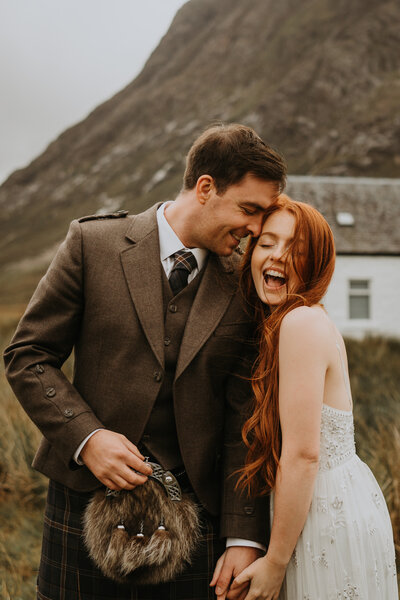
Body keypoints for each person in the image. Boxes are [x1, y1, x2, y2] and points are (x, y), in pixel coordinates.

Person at [3, 124, 287, 600]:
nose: (256, 230)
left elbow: (245, 416)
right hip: (83, 502)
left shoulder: (243, 283)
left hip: (196, 517)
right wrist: (86, 439)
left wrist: (244, 536)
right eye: (249, 209)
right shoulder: (92, 244)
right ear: (205, 188)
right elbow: (28, 355)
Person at [213, 195, 398, 599]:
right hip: (327, 503)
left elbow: (303, 455)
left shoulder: (299, 323)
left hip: (323, 512)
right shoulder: (304, 318)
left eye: (295, 249)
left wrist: (275, 563)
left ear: (315, 264)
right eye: (267, 243)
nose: (278, 256)